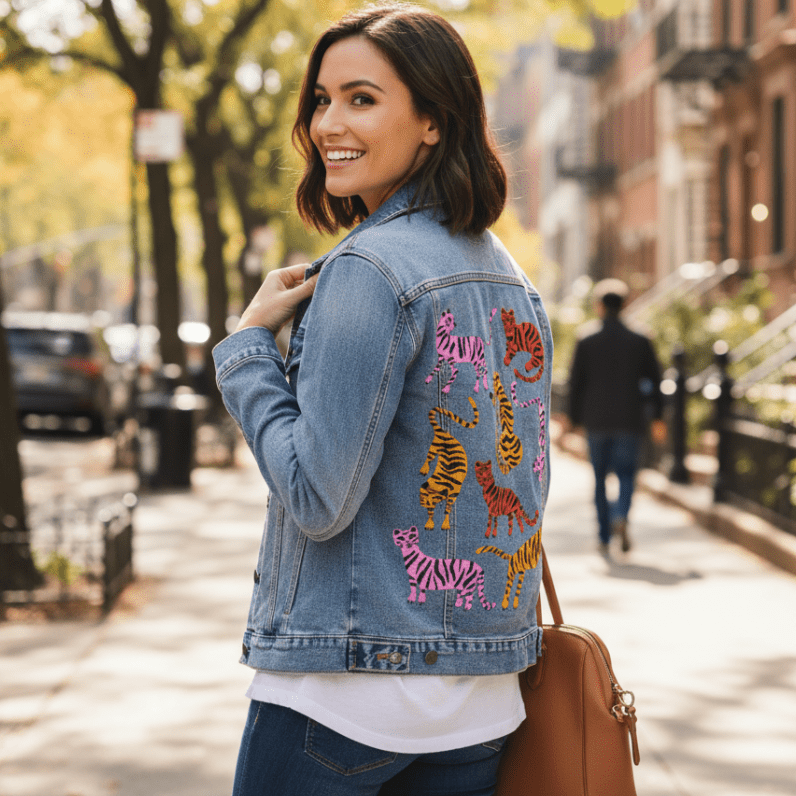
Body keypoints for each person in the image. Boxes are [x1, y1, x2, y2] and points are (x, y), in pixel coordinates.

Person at [212, 4, 552, 794]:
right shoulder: (511, 279)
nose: (328, 124)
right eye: (322, 100)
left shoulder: (368, 270)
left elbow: (317, 497)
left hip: (345, 693)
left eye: (362, 99)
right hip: (478, 705)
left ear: (434, 119)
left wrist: (249, 350)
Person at [566, 278, 666, 555]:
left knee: (599, 479)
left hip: (596, 420)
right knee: (626, 474)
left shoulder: (586, 339)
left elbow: (575, 383)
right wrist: (658, 417)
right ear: (625, 304)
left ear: (599, 306)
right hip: (629, 420)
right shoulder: (640, 339)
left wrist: (573, 421)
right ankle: (621, 514)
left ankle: (603, 534)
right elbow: (656, 379)